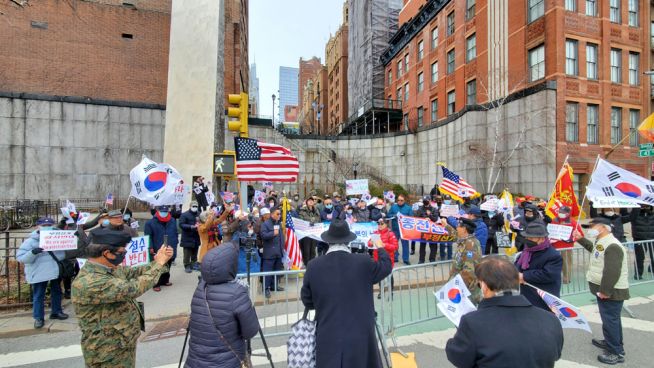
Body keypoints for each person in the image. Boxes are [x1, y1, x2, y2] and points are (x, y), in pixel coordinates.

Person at [72, 228, 174, 367]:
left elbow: (134, 272)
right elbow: (133, 288)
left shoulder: (109, 268)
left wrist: (158, 261)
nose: (124, 255)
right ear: (107, 253)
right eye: (122, 252)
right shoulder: (90, 281)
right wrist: (159, 264)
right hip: (106, 350)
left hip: (121, 340)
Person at [301, 220, 392, 368]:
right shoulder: (363, 262)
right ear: (348, 240)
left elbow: (307, 300)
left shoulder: (314, 266)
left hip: (328, 331)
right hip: (361, 333)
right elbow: (386, 266)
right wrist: (380, 247)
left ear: (328, 241)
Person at [445, 256, 564, 368]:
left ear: (484, 286)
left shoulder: (472, 323)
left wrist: (458, 333)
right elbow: (556, 354)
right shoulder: (550, 319)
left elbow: (459, 357)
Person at [185, 243, 260, 368]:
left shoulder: (200, 288)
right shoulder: (237, 292)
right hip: (227, 362)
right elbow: (250, 332)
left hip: (196, 362)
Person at [575, 218, 630, 365]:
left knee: (610, 321)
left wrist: (605, 291)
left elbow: (612, 271)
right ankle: (613, 343)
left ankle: (615, 352)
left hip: (611, 291)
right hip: (606, 290)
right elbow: (595, 252)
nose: (590, 229)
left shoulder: (612, 245)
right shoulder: (603, 241)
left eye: (592, 226)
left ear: (603, 228)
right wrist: (580, 239)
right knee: (612, 320)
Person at [16, 217, 69, 329]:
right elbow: (21, 258)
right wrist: (33, 252)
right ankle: (38, 317)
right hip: (39, 272)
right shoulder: (30, 241)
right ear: (37, 227)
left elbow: (63, 254)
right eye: (44, 226)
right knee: (39, 295)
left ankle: (56, 312)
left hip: (54, 270)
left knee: (57, 292)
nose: (47, 227)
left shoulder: (58, 237)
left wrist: (73, 239)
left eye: (49, 225)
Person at [515, 220, 563, 312]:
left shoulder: (553, 255)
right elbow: (517, 266)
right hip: (526, 296)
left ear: (542, 238)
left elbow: (549, 274)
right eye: (527, 237)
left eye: (532, 238)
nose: (528, 240)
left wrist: (524, 276)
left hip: (544, 299)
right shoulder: (526, 251)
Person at [144, 205, 179, 292]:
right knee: (158, 266)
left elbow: (175, 232)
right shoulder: (150, 223)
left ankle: (165, 280)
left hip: (170, 246)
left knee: (168, 264)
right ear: (158, 211)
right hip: (157, 247)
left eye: (166, 212)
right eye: (162, 211)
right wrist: (150, 246)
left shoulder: (172, 220)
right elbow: (148, 236)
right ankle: (156, 283)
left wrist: (175, 242)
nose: (164, 213)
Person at [449, 218, 482, 304]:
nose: (456, 228)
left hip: (466, 289)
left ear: (464, 229)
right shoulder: (464, 241)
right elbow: (454, 234)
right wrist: (445, 225)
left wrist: (456, 287)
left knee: (467, 315)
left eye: (458, 226)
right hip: (460, 287)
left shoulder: (471, 244)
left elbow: (469, 271)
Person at [549, 206, 583, 284]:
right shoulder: (554, 220)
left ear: (568, 213)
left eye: (562, 213)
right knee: (554, 263)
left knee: (566, 263)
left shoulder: (573, 222)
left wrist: (571, 239)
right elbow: (550, 231)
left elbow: (580, 234)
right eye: (559, 212)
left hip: (566, 247)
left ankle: (566, 279)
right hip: (554, 246)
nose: (560, 214)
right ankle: (555, 277)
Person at [370, 218, 398, 299]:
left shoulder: (391, 234)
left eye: (382, 223)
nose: (380, 225)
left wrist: (384, 245)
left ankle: (391, 292)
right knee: (379, 276)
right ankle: (381, 291)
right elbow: (369, 243)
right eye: (378, 223)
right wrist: (371, 243)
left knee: (389, 276)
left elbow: (395, 247)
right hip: (377, 259)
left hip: (388, 259)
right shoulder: (375, 233)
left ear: (386, 224)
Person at [261, 207, 284, 298]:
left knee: (277, 270)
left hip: (278, 251)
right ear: (272, 214)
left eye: (280, 214)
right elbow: (263, 235)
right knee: (268, 271)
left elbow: (281, 237)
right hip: (270, 252)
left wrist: (283, 247)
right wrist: (272, 234)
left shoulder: (278, 223)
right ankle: (266, 288)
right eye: (277, 214)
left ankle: (274, 286)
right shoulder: (265, 224)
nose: (279, 215)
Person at [387, 194, 414, 265]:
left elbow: (412, 218)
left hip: (404, 230)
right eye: (398, 200)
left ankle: (406, 259)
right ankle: (395, 257)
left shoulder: (408, 208)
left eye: (401, 200)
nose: (399, 201)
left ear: (404, 200)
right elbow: (388, 215)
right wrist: (393, 215)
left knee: (405, 245)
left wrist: (405, 218)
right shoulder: (393, 207)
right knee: (394, 244)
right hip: (395, 228)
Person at [630, 204, 654, 280]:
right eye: (643, 205)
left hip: (651, 239)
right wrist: (638, 205)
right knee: (639, 258)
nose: (645, 207)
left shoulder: (652, 215)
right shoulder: (635, 216)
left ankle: (652, 268)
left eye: (647, 205)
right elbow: (633, 213)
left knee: (653, 255)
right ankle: (638, 274)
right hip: (639, 239)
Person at [179, 201, 201, 273]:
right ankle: (187, 265)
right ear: (190, 206)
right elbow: (181, 224)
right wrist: (191, 227)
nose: (195, 208)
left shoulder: (199, 214)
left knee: (195, 251)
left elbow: (203, 221)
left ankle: (193, 264)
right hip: (187, 236)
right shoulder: (184, 215)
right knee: (187, 252)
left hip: (196, 236)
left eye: (196, 206)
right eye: (193, 206)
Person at [299, 198, 321, 264]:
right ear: (306, 202)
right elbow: (301, 220)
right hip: (306, 234)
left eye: (312, 201)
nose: (311, 202)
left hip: (314, 233)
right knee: (306, 250)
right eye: (309, 201)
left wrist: (314, 221)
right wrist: (310, 220)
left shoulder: (316, 210)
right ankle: (306, 265)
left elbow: (319, 219)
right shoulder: (302, 211)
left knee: (313, 250)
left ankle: (312, 264)